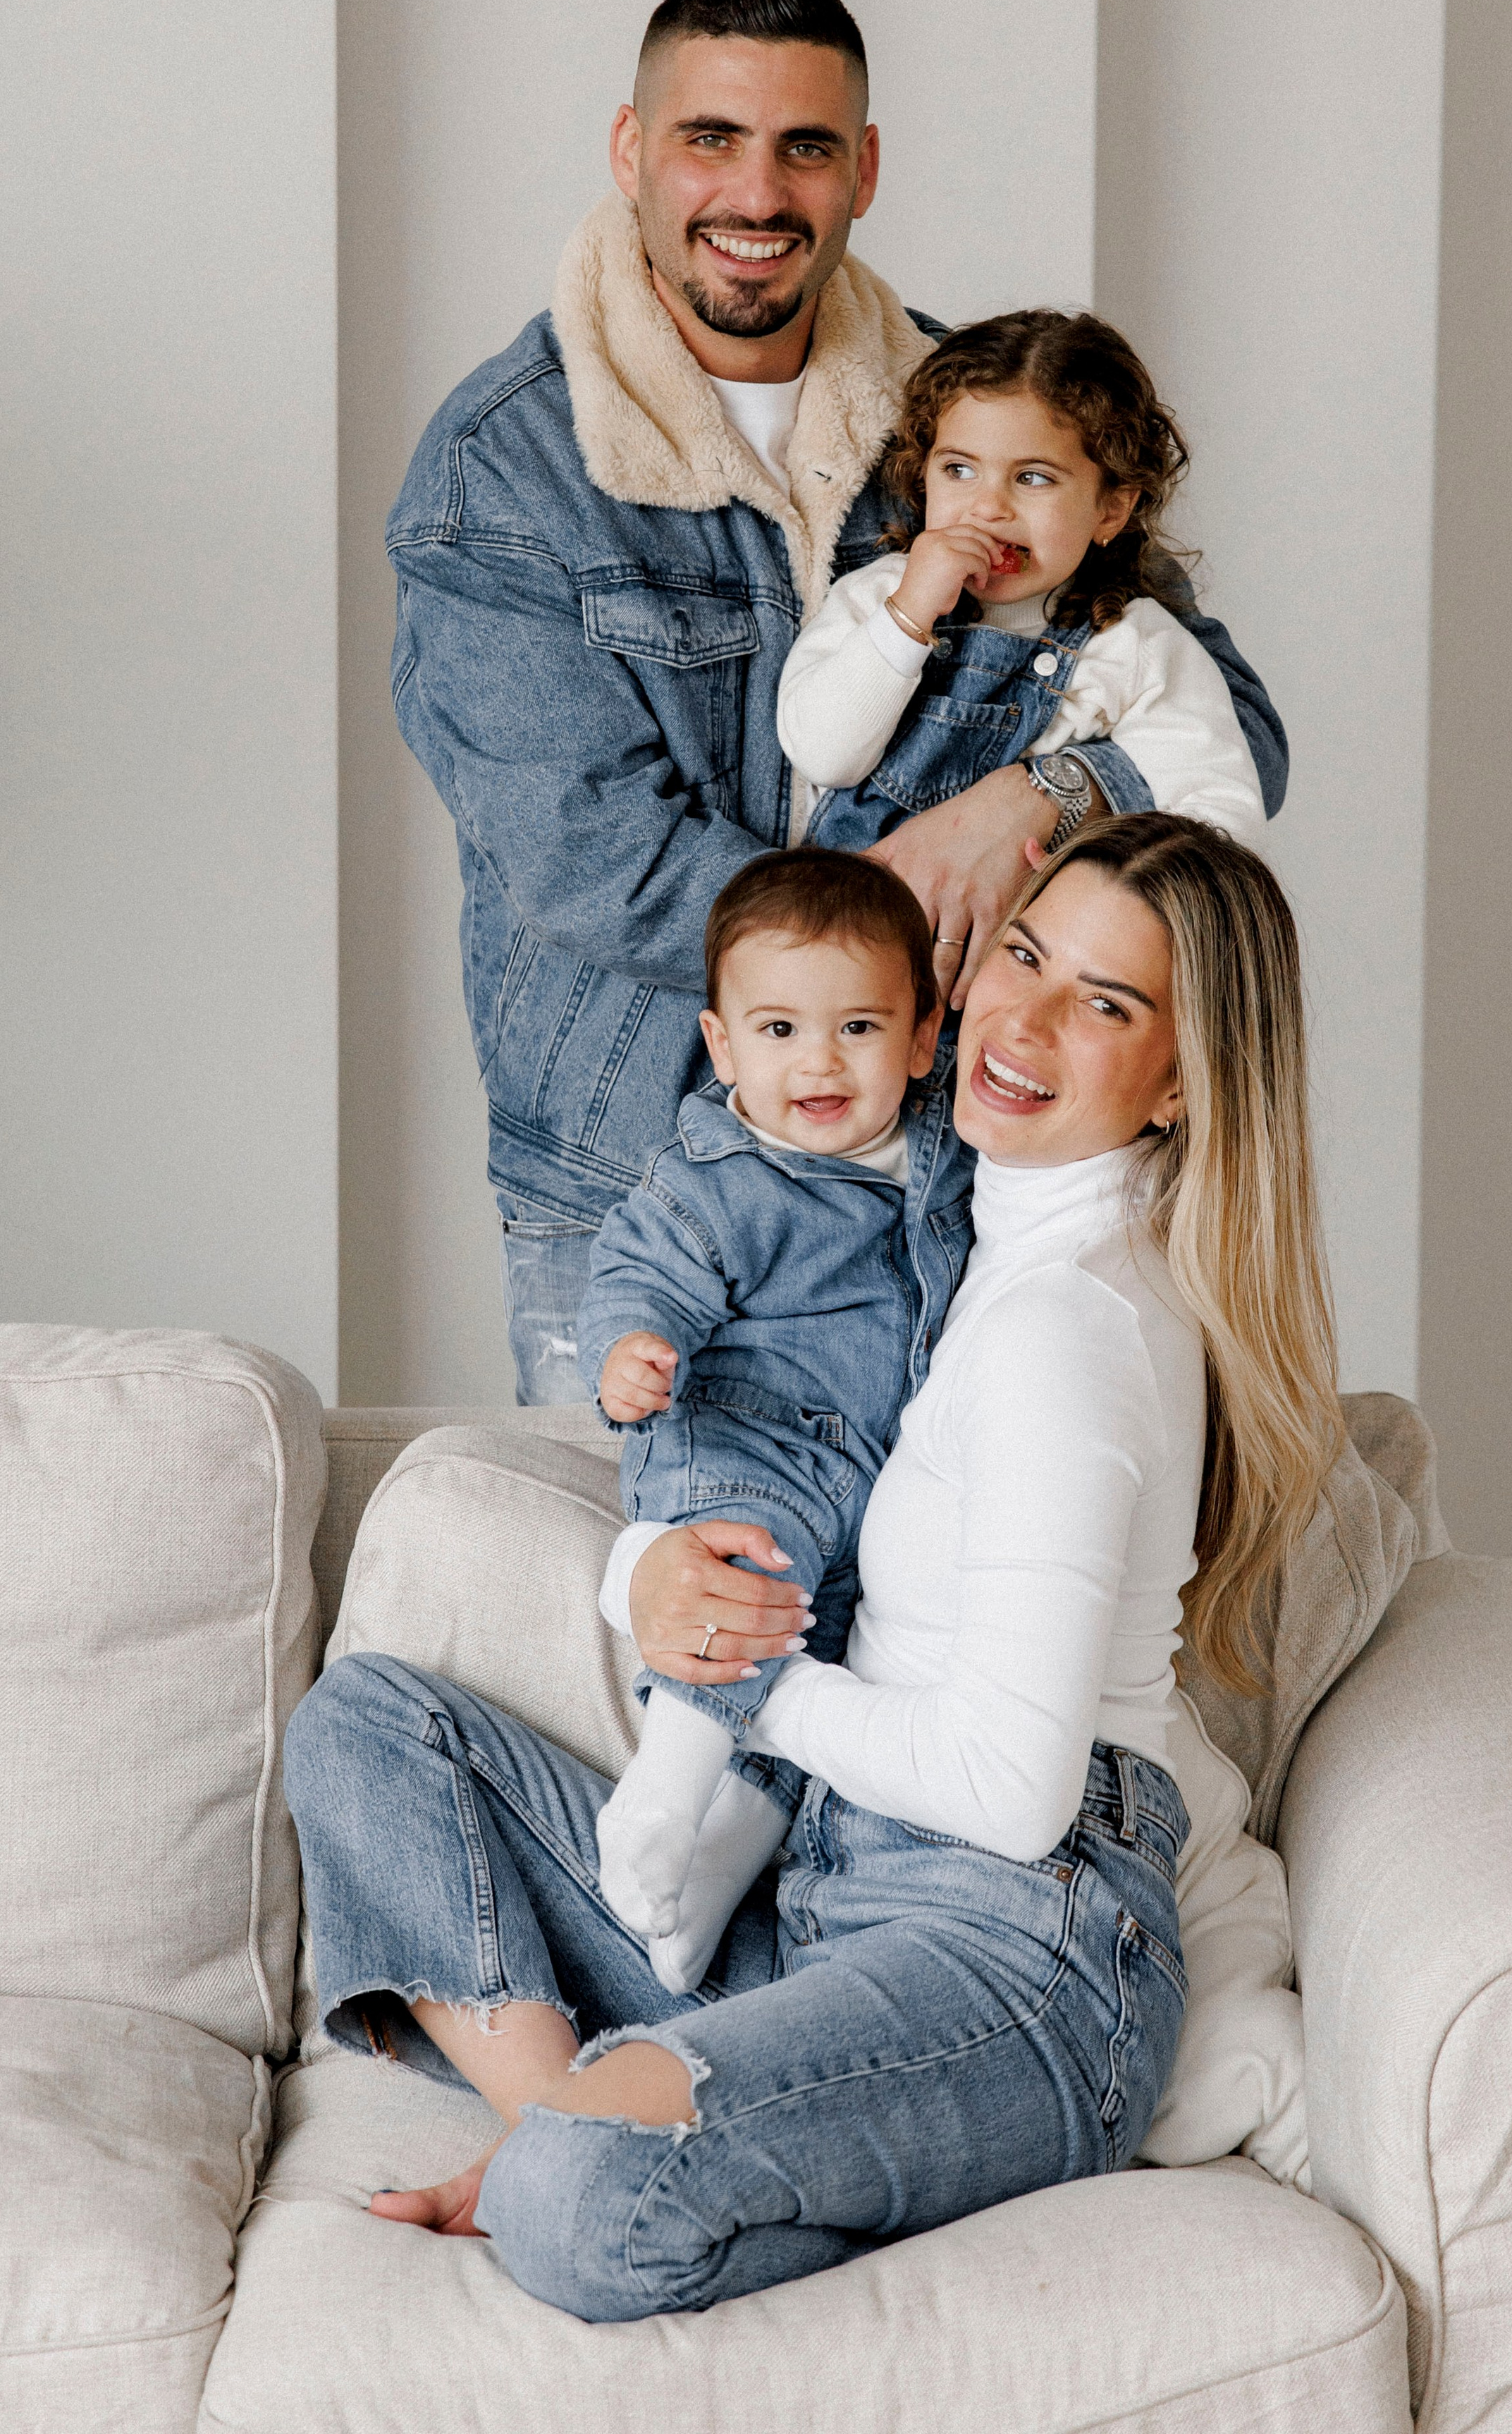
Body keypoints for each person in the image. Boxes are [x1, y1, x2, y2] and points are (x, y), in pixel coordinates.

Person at [283, 812, 1344, 2321]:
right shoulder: (957, 1227)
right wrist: (647, 1574)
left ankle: (570, 2159)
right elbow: (781, 1448)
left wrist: (746, 1676)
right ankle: (553, 2127)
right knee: (371, 1723)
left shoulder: (1071, 1332)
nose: (1023, 1021)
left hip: (1012, 1954)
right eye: (1023, 957)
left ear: (1182, 1080)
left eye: (1104, 1003)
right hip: (825, 1899)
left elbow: (1009, 1790)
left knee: (584, 2206)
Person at [386, 0, 1287, 1402]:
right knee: (678, 1585)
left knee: (953, 1581)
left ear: (862, 168)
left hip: (971, 1149)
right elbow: (587, 863)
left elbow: (1227, 724)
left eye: (804, 146)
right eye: (708, 139)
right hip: (639, 1178)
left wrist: (1031, 799)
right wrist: (880, 932)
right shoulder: (507, 470)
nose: (756, 194)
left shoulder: (977, 414)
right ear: (632, 150)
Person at [579, 848, 974, 1986]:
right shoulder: (718, 1174)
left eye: (858, 1027)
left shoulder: (947, 1156)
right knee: (751, 1572)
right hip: (742, 1446)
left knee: (838, 1668)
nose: (820, 1062)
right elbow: (639, 1267)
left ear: (921, 1036)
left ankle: (705, 1878)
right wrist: (631, 1349)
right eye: (780, 1030)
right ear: (722, 1046)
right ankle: (658, 1799)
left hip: (873, 1483)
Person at [782, 309, 1270, 860]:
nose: (988, 507)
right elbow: (821, 755)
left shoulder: (1136, 647)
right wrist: (906, 618)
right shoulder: (880, 596)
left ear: (1111, 509)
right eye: (959, 470)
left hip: (1036, 937)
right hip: (857, 928)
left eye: (1033, 477)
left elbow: (1221, 814)